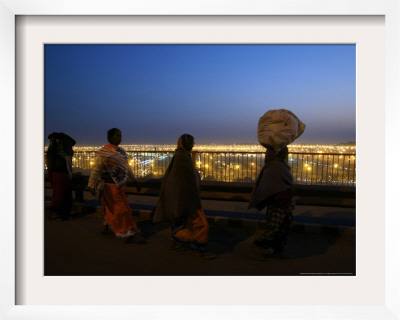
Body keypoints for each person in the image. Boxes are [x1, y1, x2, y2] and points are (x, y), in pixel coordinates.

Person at [153, 134, 214, 258]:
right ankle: (200, 249)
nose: (193, 145)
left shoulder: (182, 156)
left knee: (181, 223)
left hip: (183, 199)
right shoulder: (183, 158)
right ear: (184, 143)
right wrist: (192, 198)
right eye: (190, 142)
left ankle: (175, 242)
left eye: (193, 142)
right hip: (189, 199)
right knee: (200, 224)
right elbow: (184, 181)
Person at [88, 128, 144, 243]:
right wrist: (91, 184)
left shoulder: (121, 152)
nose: (120, 137)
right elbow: (97, 169)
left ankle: (107, 225)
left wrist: (135, 180)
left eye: (121, 135)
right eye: (117, 135)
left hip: (119, 186)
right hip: (108, 186)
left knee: (111, 207)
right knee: (121, 209)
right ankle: (128, 232)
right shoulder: (104, 152)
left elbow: (126, 167)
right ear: (111, 137)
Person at [248, 146, 294, 255]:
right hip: (278, 203)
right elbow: (275, 186)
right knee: (275, 229)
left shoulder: (275, 166)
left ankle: (278, 251)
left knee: (283, 227)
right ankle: (257, 245)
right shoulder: (277, 167)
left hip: (283, 202)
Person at [46, 132, 76, 220]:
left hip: (58, 173)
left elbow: (50, 163)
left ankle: (59, 213)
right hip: (62, 173)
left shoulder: (54, 148)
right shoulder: (63, 150)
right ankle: (60, 213)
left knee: (59, 193)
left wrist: (50, 175)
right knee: (63, 194)